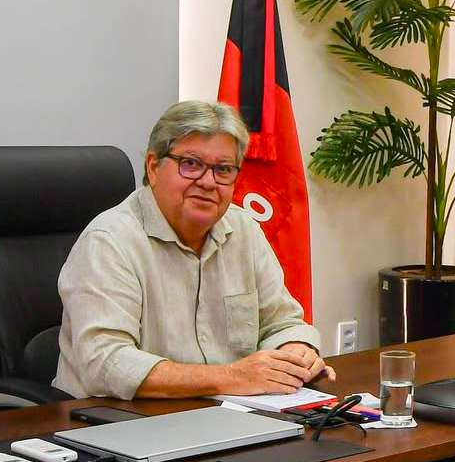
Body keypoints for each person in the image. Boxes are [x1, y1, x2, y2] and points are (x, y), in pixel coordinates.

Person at [53, 100, 334, 399]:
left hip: (227, 410)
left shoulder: (243, 230)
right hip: (117, 417)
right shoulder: (109, 241)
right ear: (153, 167)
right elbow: (105, 364)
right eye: (191, 164)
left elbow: (282, 322)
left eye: (223, 169)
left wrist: (295, 350)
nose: (208, 182)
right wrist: (232, 377)